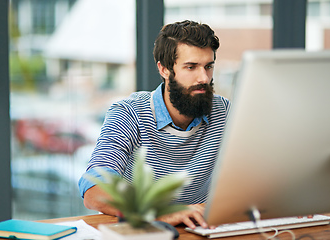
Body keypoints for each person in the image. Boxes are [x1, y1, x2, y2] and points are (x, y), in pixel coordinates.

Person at [78, 20, 230, 229]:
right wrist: (156, 214)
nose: (203, 78)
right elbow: (93, 188)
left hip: (199, 229)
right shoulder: (129, 113)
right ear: (164, 69)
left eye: (208, 66)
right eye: (191, 67)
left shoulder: (223, 112)